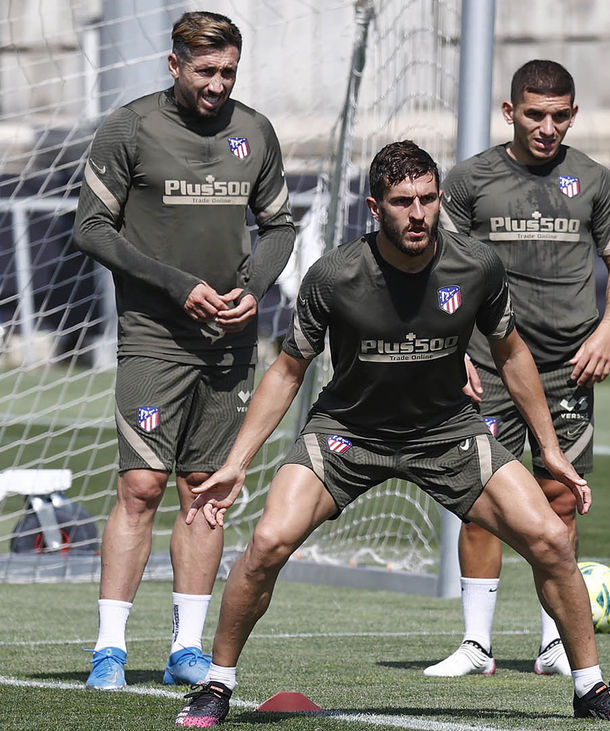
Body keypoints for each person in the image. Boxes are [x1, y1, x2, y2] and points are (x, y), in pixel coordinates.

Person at [172, 141, 610, 725]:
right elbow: (288, 370)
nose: (419, 213)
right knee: (268, 542)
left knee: (552, 540)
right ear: (375, 208)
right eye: (403, 202)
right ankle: (217, 685)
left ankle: (591, 690)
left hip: (445, 432)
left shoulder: (476, 266)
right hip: (349, 433)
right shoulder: (334, 274)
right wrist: (236, 463)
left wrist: (550, 450)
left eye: (428, 198)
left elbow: (511, 354)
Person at [72, 10, 296, 690]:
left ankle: (187, 649)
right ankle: (110, 649)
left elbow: (280, 225)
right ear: (174, 65)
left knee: (205, 491)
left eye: (228, 72)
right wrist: (176, 284)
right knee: (141, 486)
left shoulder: (255, 131)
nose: (218, 84)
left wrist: (255, 288)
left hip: (229, 342)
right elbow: (91, 228)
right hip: (153, 336)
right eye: (205, 71)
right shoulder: (130, 127)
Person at [424, 59, 610, 678]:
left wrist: (609, 329)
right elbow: (440, 270)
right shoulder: (470, 180)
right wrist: (453, 350)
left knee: (560, 498)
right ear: (509, 112)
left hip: (569, 366)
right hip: (489, 363)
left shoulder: (593, 180)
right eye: (535, 115)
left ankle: (553, 645)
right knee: (480, 500)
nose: (547, 128)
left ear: (573, 115)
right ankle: (476, 645)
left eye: (559, 116)